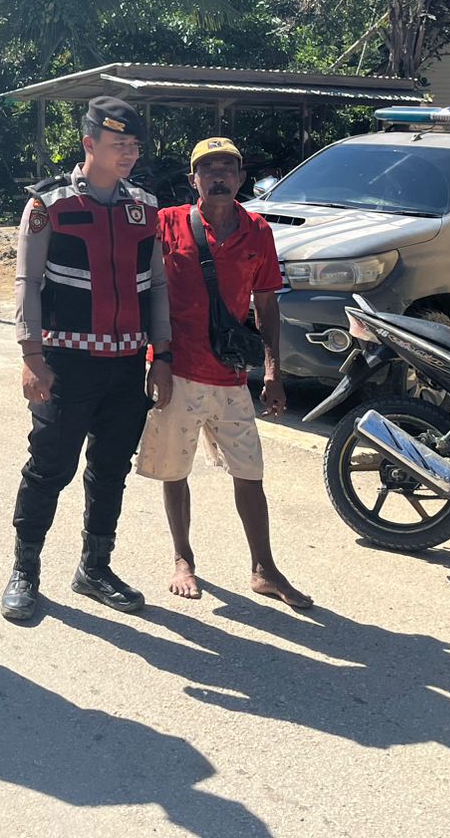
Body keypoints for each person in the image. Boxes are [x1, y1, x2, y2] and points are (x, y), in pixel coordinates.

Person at [1, 96, 173, 621]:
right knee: (49, 467)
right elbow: (28, 282)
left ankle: (95, 568)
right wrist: (31, 354)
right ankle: (24, 570)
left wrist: (162, 355)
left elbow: (158, 286)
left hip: (126, 364)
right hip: (65, 363)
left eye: (134, 145)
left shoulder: (144, 207)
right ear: (88, 144)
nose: (129, 154)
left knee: (111, 469)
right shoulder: (48, 204)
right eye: (119, 144)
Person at [134, 138, 312, 608]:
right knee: (175, 469)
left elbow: (266, 303)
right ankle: (183, 559)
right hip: (177, 369)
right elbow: (141, 287)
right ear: (193, 179)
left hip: (231, 376)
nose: (218, 177)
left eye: (228, 169)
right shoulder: (167, 223)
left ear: (241, 178)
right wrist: (154, 360)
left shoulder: (258, 231)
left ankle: (264, 569)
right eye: (208, 169)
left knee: (250, 471)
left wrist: (273, 371)